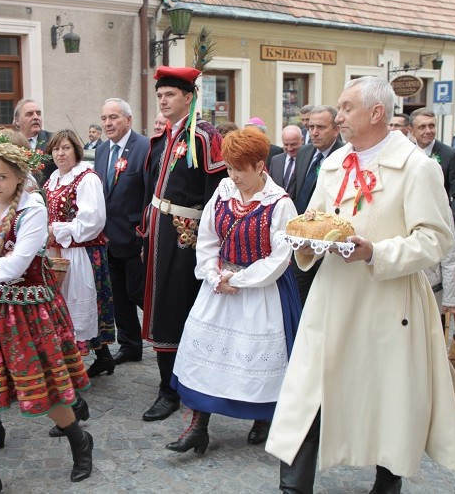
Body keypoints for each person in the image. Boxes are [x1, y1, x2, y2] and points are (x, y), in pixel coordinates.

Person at [265, 77, 455, 493]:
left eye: (346, 107)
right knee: (308, 393)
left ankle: (386, 483)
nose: (338, 116)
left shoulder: (417, 167)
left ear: (376, 113)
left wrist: (375, 252)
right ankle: (293, 487)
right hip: (333, 297)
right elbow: (314, 220)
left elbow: (435, 238)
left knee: (388, 398)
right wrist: (305, 242)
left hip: (388, 304)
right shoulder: (334, 163)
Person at [0, 129, 93, 491]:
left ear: (19, 176)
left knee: (43, 390)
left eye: (1, 176)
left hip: (27, 312)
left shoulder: (33, 208)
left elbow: (16, 266)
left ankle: (79, 440)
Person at [167, 127, 301, 454]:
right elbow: (208, 236)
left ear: (259, 166)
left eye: (239, 168)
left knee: (257, 357)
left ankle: (263, 417)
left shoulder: (280, 203)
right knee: (207, 351)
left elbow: (279, 258)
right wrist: (213, 275)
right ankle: (198, 425)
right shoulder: (224, 190)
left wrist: (238, 280)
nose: (232, 175)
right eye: (228, 167)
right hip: (219, 285)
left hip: (262, 292)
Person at [138, 66, 226, 422]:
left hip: (185, 238)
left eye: (170, 95)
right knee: (160, 307)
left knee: (176, 309)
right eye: (160, 96)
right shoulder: (168, 136)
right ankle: (168, 380)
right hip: (160, 233)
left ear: (189, 98)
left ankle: (173, 388)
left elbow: (216, 192)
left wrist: (208, 242)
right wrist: (145, 228)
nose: (163, 100)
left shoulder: (203, 137)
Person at [43, 129, 115, 376]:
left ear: (76, 150)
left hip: (81, 253)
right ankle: (102, 358)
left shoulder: (86, 178)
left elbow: (92, 222)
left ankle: (70, 370)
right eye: (56, 149)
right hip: (58, 252)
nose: (60, 153)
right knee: (60, 307)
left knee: (78, 308)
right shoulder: (53, 178)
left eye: (65, 148)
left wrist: (56, 230)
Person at [96, 98, 149, 365]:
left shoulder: (144, 148)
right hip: (108, 239)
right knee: (118, 297)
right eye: (104, 118)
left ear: (128, 120)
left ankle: (169, 337)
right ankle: (130, 345)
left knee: (139, 294)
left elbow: (148, 195)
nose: (108, 123)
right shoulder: (102, 151)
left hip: (134, 238)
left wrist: (144, 237)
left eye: (113, 117)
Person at [291, 105, 344, 304]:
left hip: (327, 243)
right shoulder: (304, 152)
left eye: (320, 127)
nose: (314, 132)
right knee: (298, 297)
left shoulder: (345, 156)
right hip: (302, 239)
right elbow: (298, 192)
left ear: (336, 129)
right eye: (310, 127)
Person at [410, 108, 455, 228]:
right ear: (411, 130)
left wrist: (451, 223)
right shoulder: (406, 152)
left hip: (439, 220)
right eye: (422, 127)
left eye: (431, 126)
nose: (428, 131)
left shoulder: (450, 154)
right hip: (411, 217)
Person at [12, 98, 55, 185]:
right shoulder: (9, 144)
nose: (36, 117)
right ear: (17, 121)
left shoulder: (54, 140)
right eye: (29, 114)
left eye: (38, 114)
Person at [268, 124, 303, 195]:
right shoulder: (276, 160)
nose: (289, 148)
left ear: (302, 140)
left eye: (293, 144)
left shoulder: (307, 161)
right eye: (286, 145)